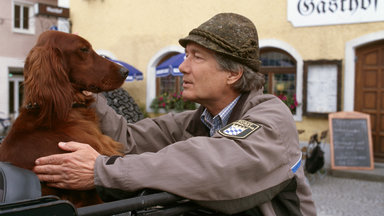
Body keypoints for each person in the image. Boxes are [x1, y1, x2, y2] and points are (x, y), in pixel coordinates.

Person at [33, 13, 316, 215]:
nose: (182, 67)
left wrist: (100, 172)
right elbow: (128, 140)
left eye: (196, 56)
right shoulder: (198, 120)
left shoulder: (271, 118)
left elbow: (213, 167)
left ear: (233, 73)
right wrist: (88, 94)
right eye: (185, 55)